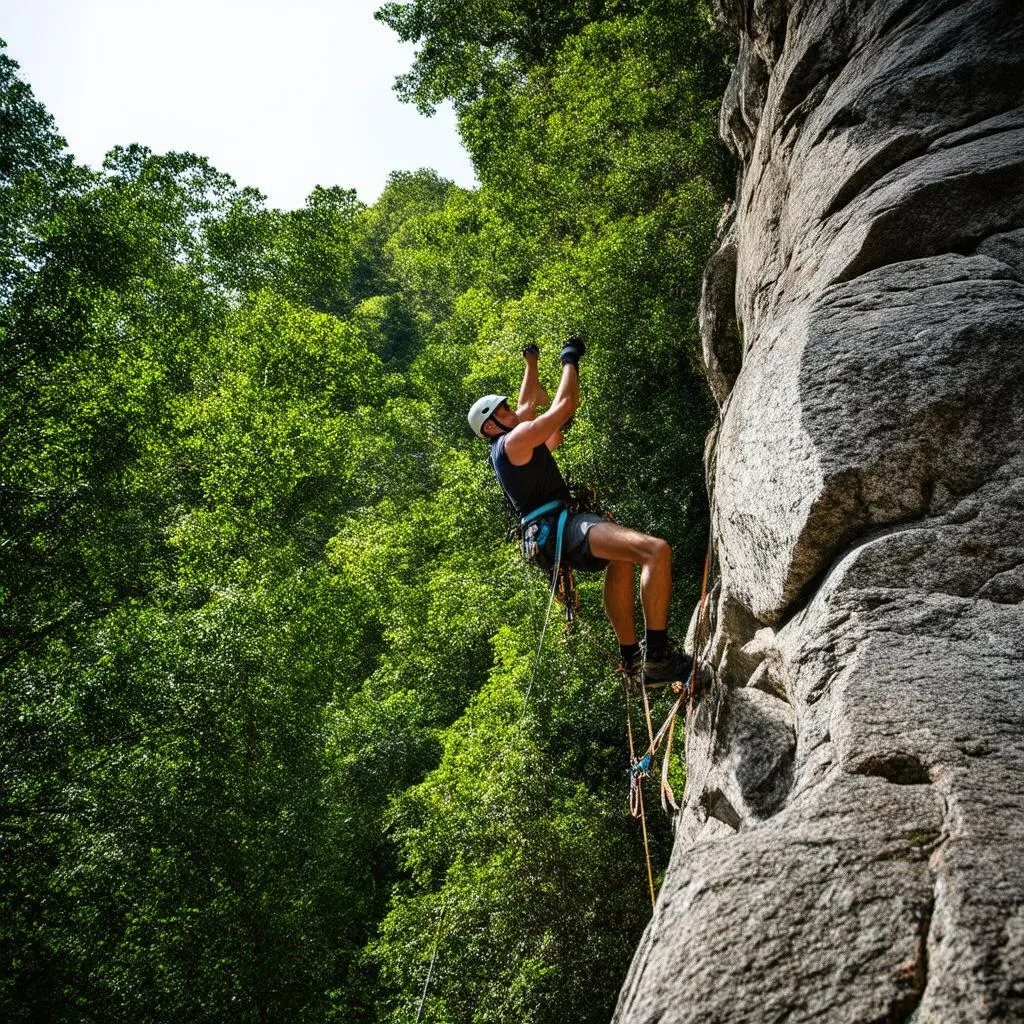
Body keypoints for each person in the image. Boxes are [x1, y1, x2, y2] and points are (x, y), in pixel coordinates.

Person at [467, 337, 692, 689]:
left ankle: (633, 659)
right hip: (561, 526)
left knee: (621, 559)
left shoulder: (507, 446)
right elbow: (566, 403)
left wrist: (531, 365)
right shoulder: (514, 441)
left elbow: (527, 404)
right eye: (505, 412)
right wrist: (569, 358)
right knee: (655, 551)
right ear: (491, 426)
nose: (514, 412)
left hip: (553, 529)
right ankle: (658, 659)